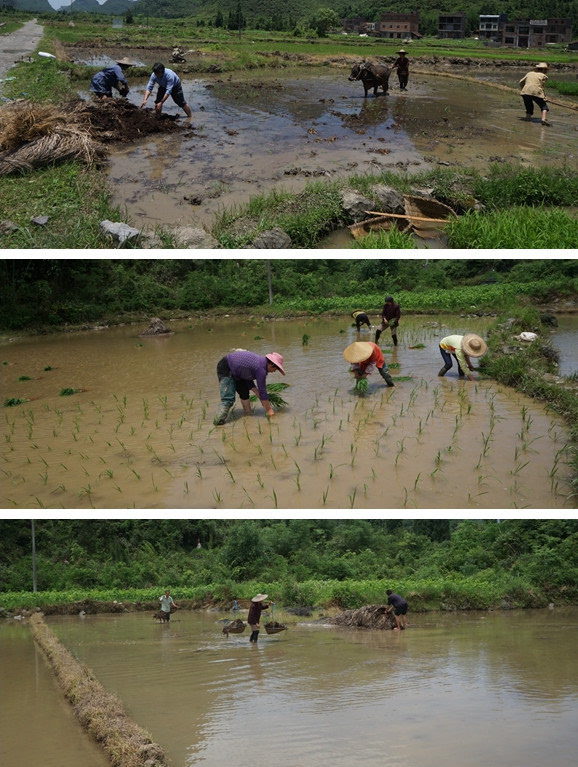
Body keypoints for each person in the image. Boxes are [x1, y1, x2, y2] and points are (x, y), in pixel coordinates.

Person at [213, 350, 286, 426]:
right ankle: (217, 424)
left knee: (244, 393)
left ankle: (248, 415)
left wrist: (258, 394)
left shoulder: (260, 364)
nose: (274, 371)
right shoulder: (261, 369)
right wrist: (269, 410)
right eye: (276, 369)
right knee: (228, 399)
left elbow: (248, 379)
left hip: (238, 373)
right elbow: (262, 391)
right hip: (226, 367)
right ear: (271, 365)